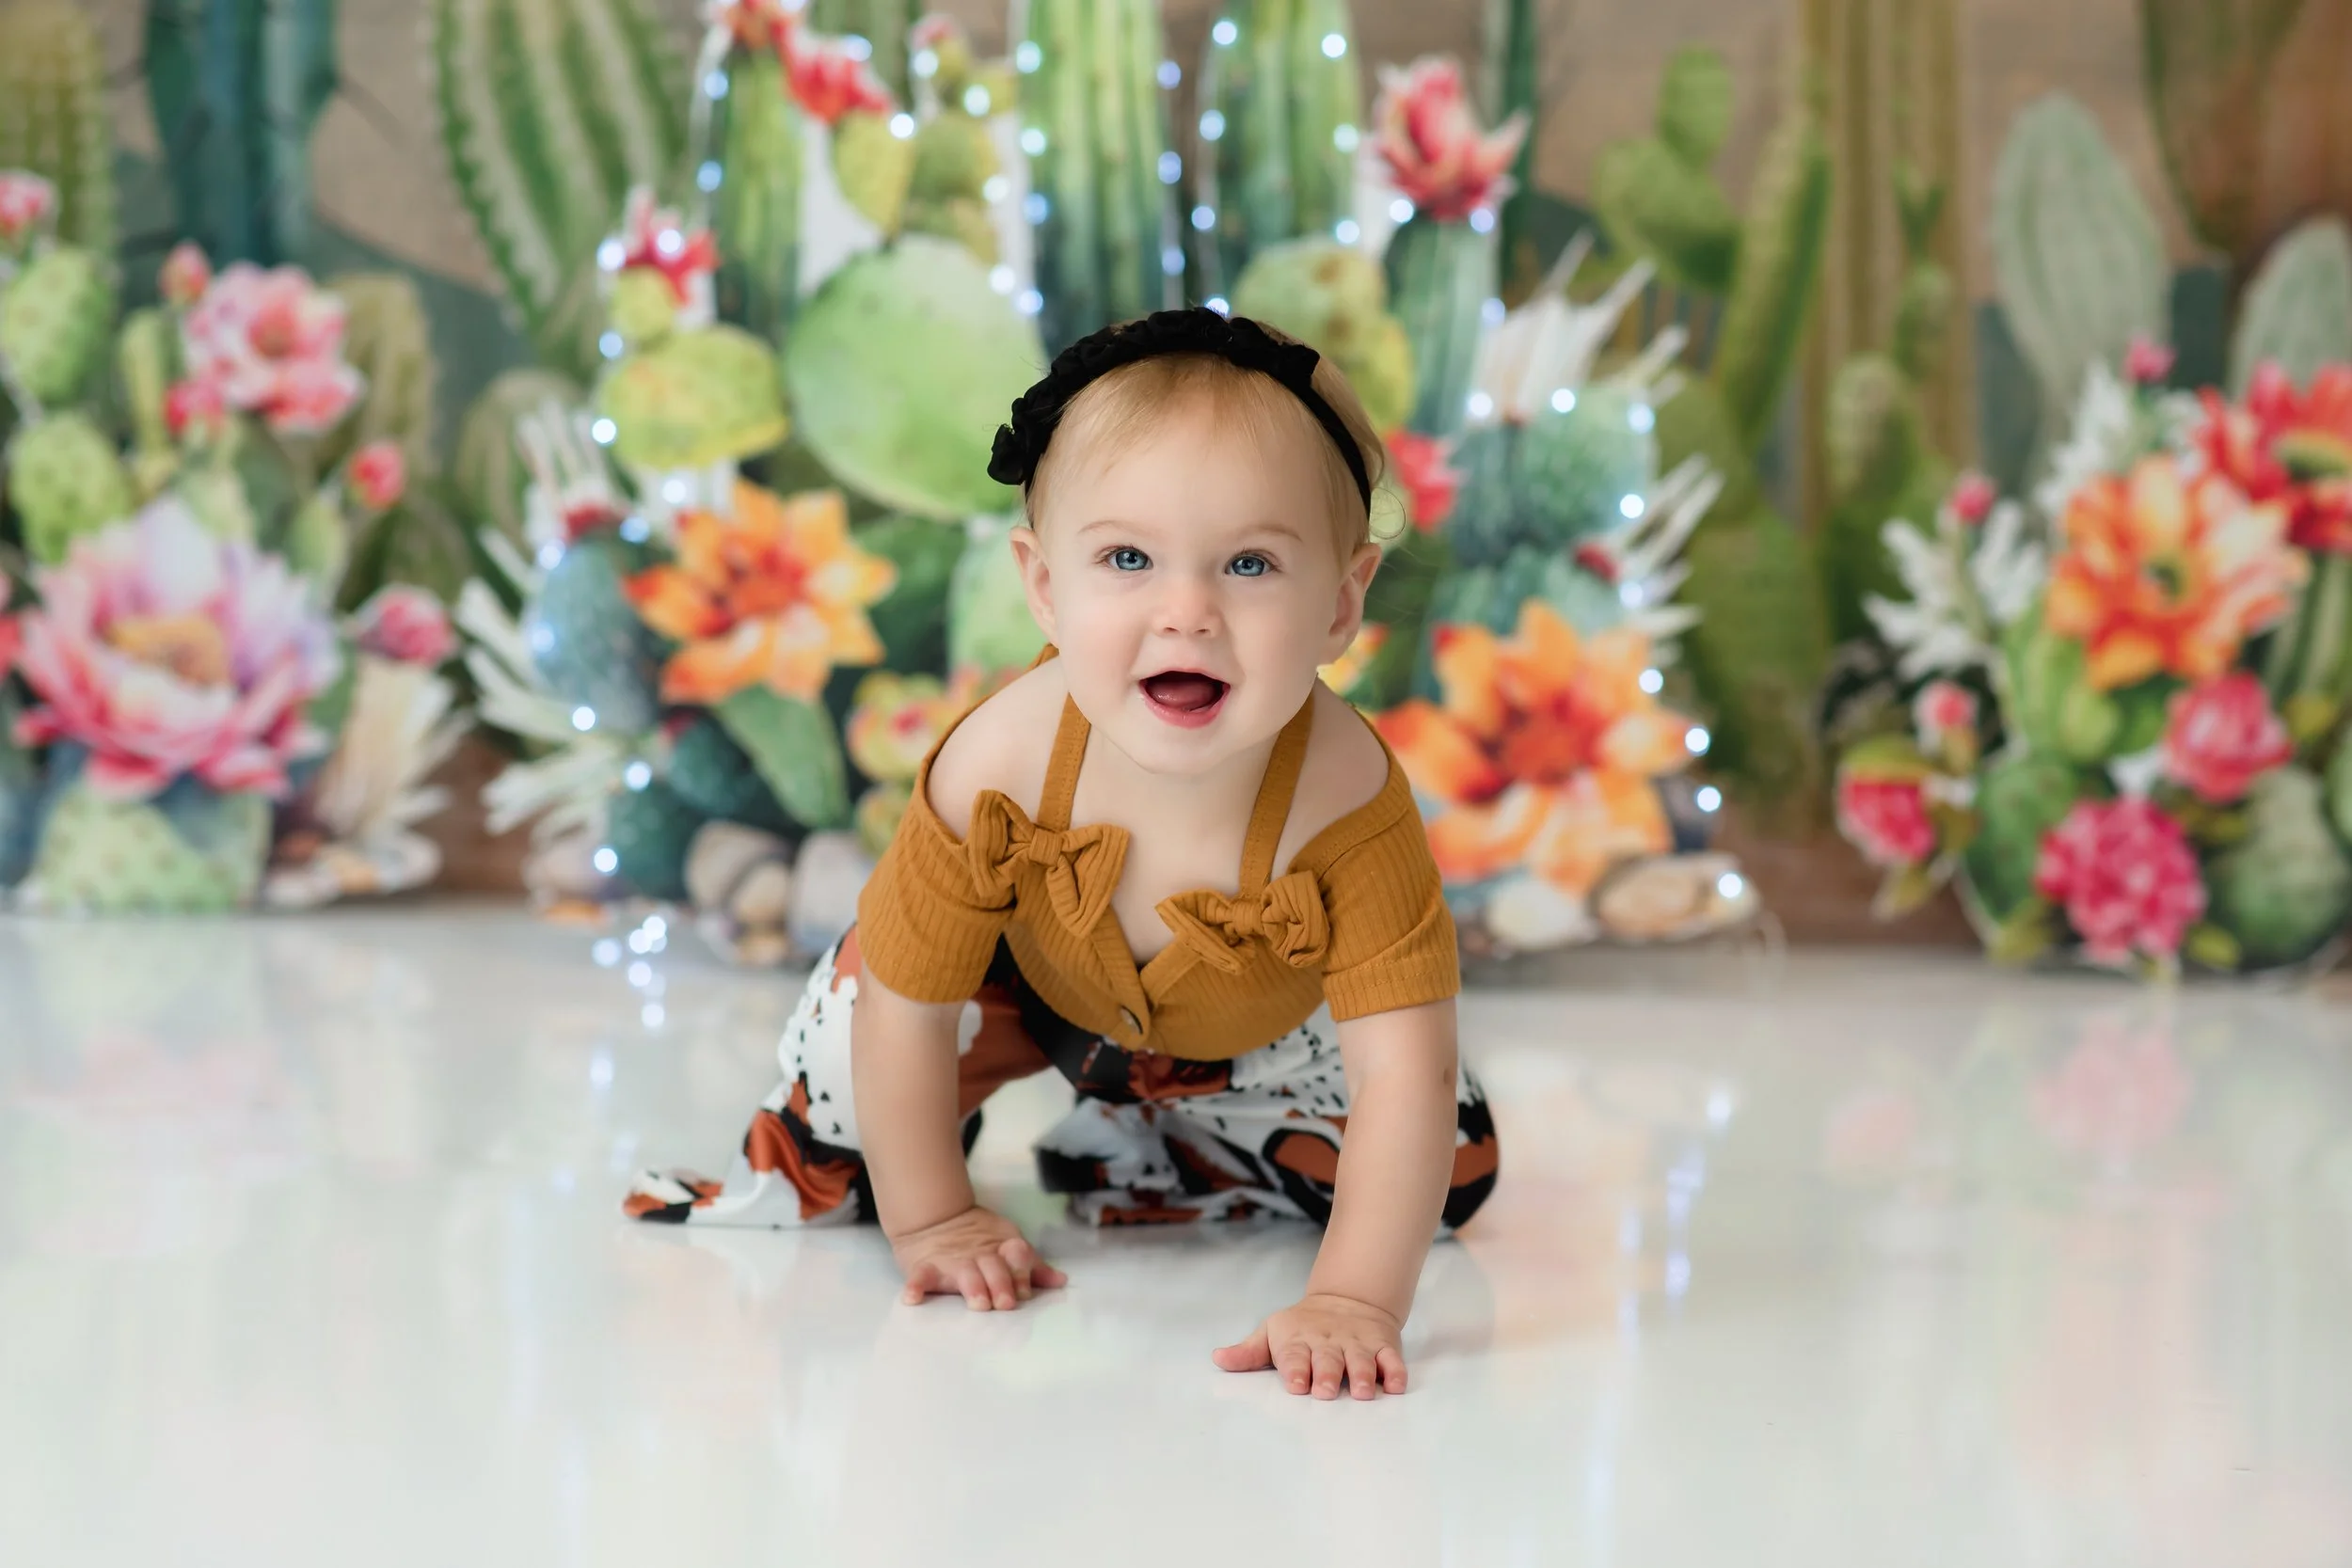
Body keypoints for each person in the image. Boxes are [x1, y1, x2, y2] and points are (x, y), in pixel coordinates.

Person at [626, 308, 1499, 1400]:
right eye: (1127, 557)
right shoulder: (998, 761)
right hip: (1020, 993)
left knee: (1446, 1169)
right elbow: (909, 999)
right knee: (857, 1020)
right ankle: (906, 1160)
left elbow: (1401, 1067)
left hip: (1258, 1034)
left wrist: (1355, 1298)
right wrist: (934, 1217)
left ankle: (1182, 1145)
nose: (1187, 612)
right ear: (1044, 586)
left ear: (1339, 603)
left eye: (1249, 563)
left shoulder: (1349, 801)